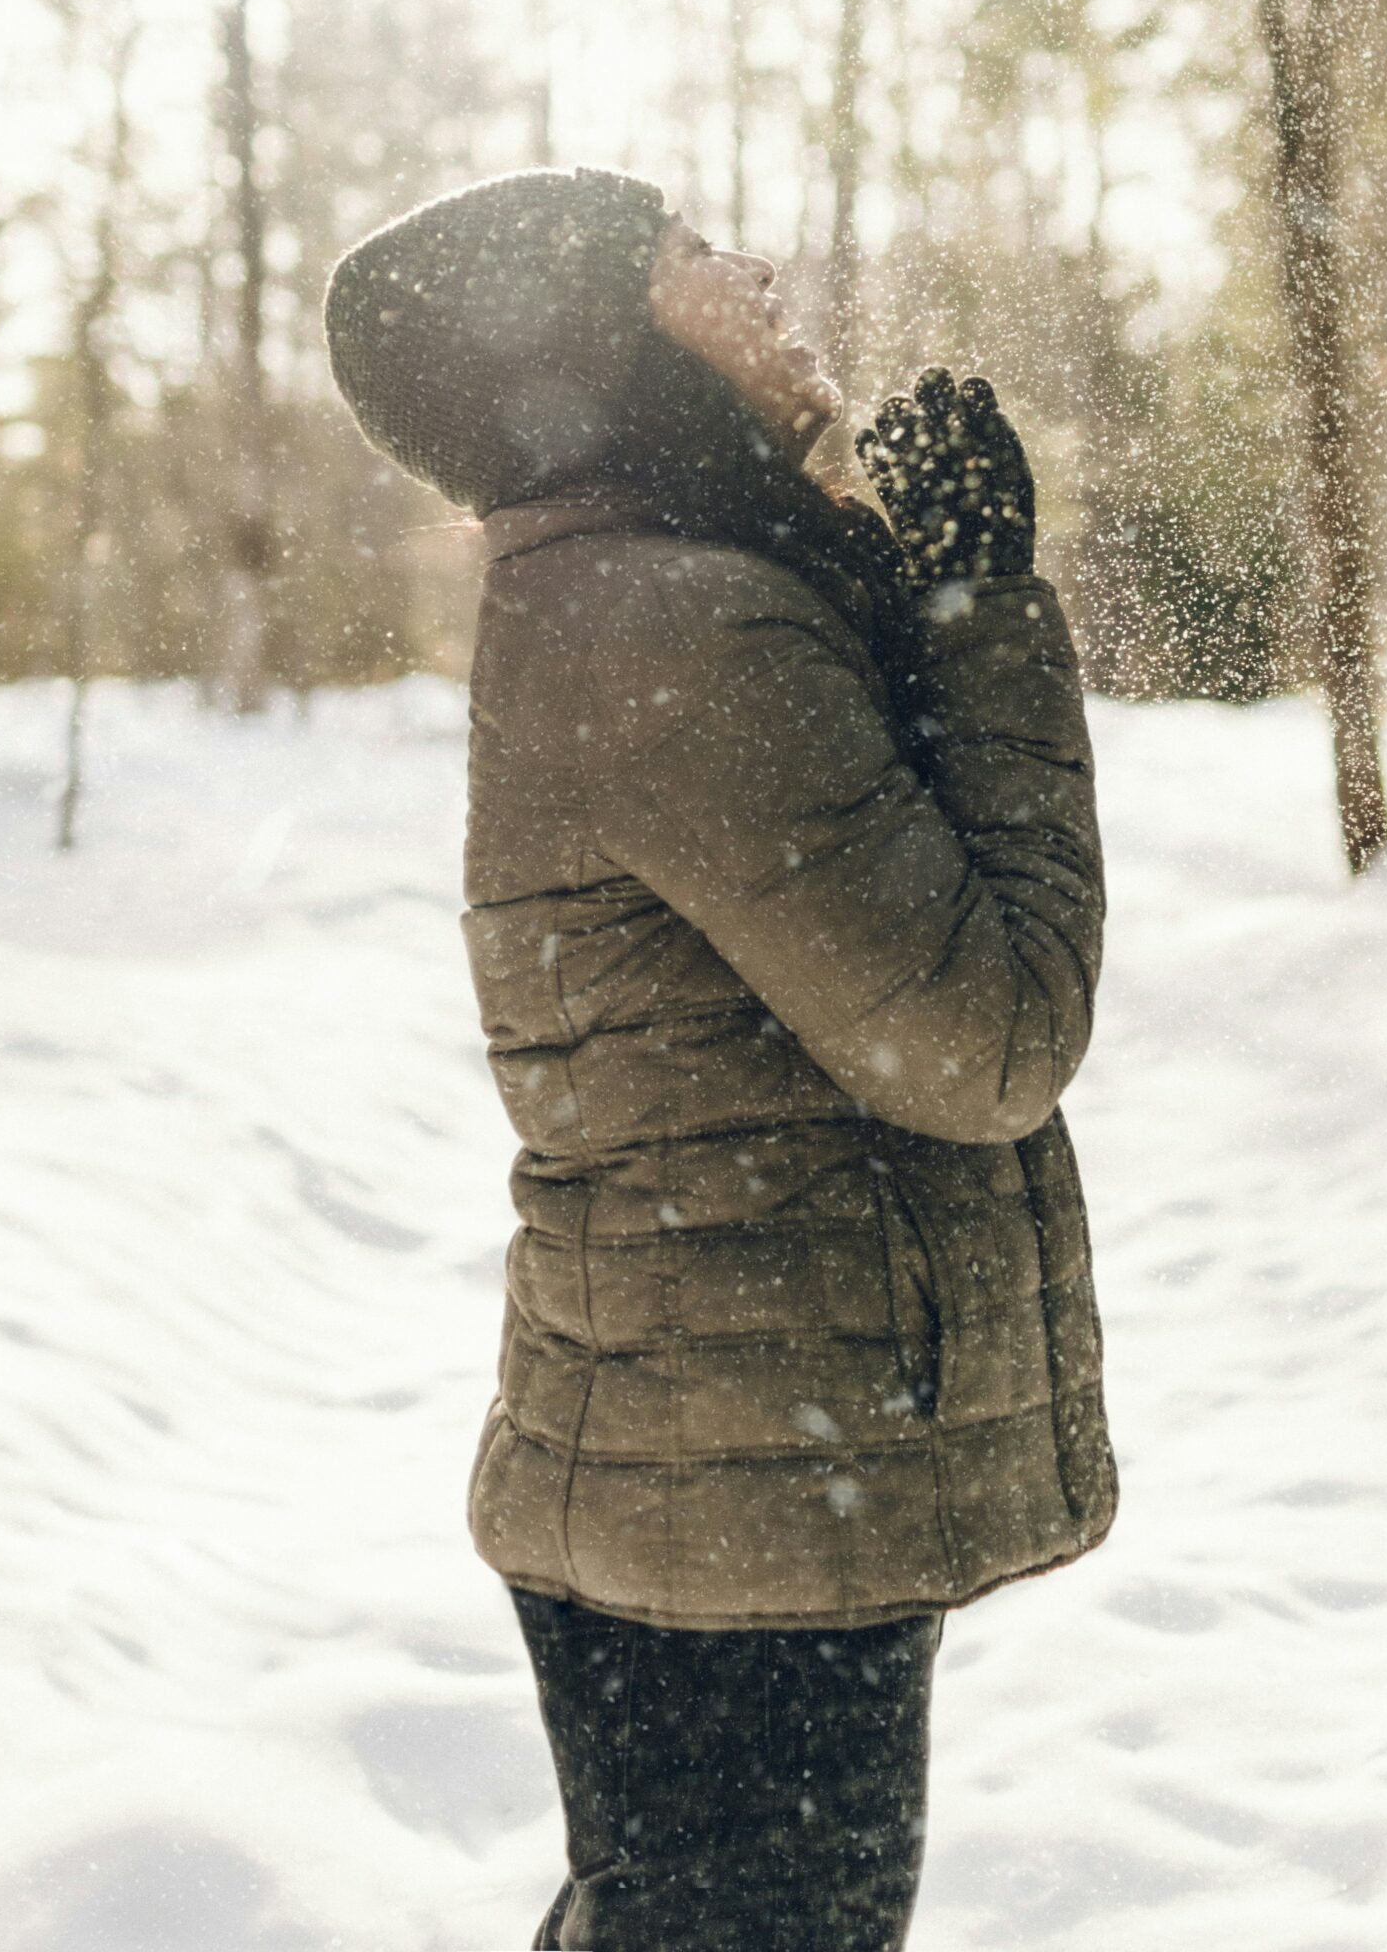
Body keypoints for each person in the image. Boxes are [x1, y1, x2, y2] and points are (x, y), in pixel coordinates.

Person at [323, 166, 1115, 1952]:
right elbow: (988, 1037)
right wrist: (986, 612)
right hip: (742, 1498)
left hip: (724, 1470)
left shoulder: (650, 593)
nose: (752, 268)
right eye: (684, 254)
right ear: (598, 348)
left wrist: (922, 591)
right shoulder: (670, 622)